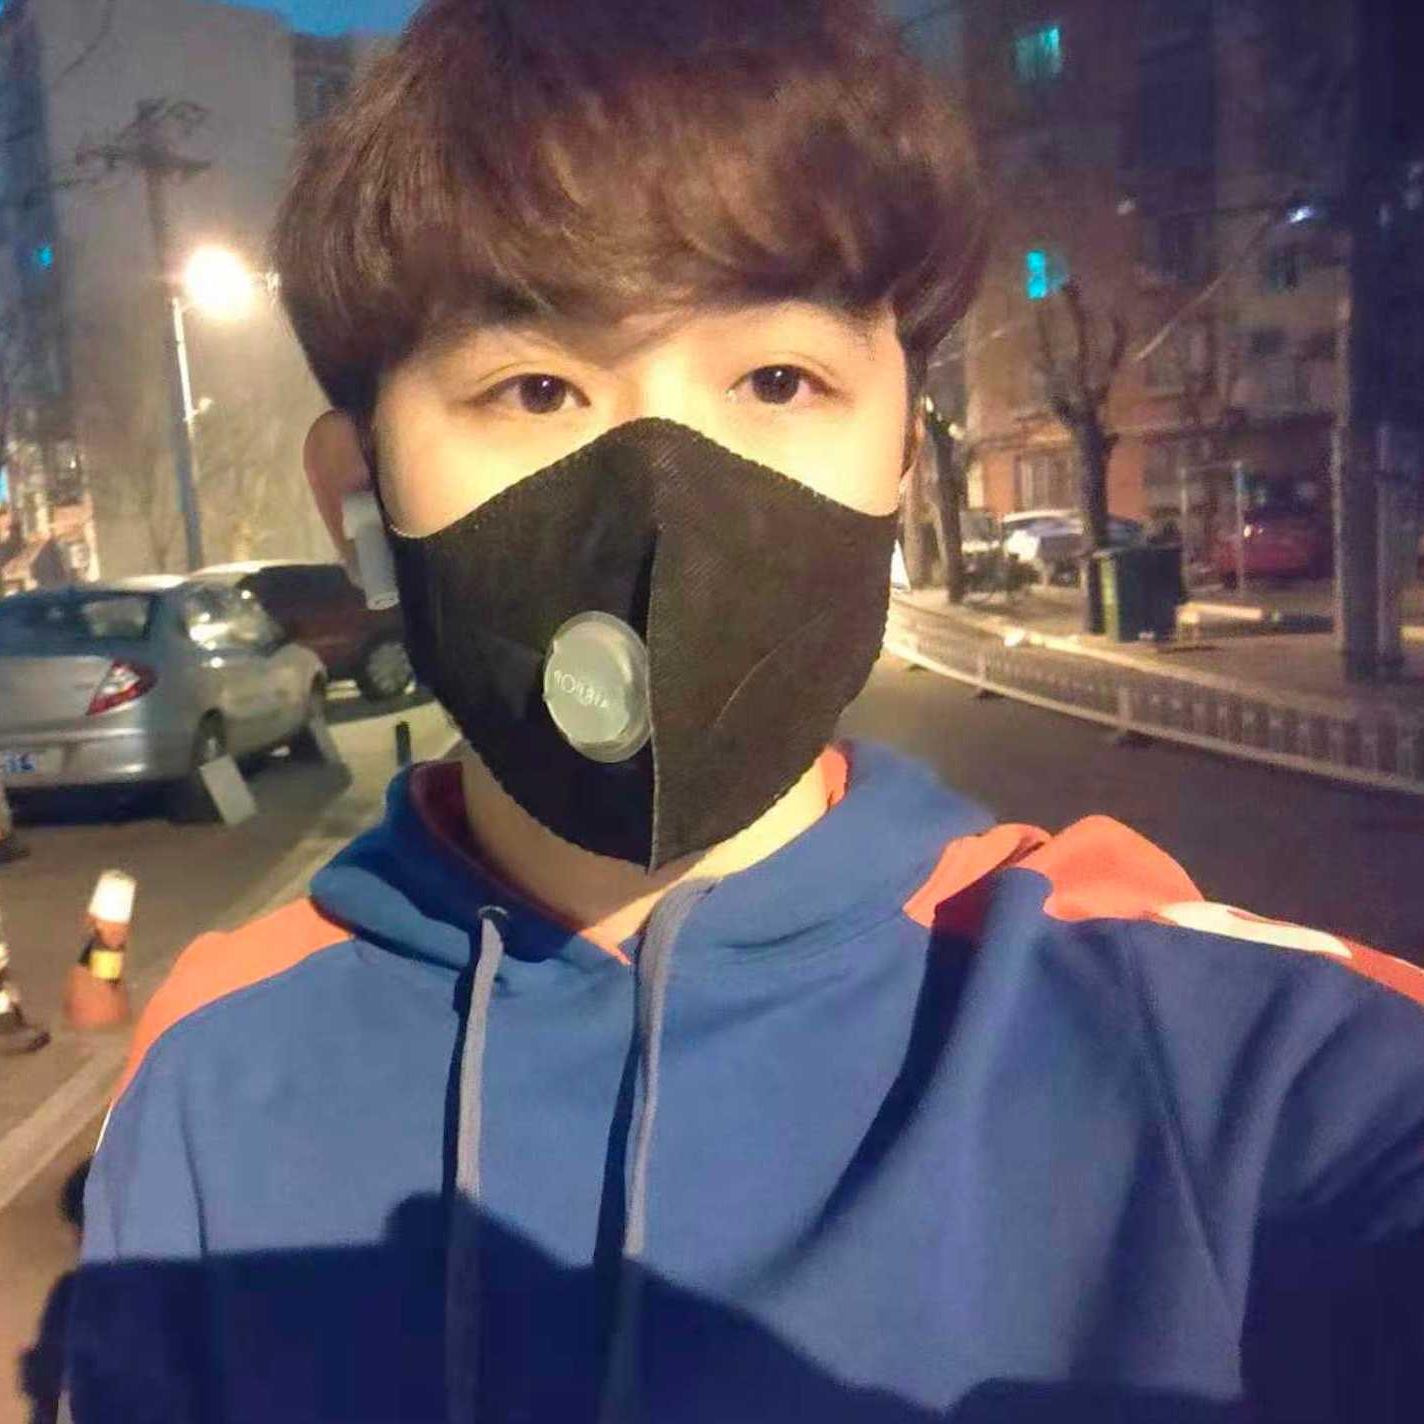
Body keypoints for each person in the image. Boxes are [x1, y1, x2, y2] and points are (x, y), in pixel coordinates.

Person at [66, 2, 1424, 1420]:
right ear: (359, 490)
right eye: (534, 388)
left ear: (898, 457)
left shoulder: (1220, 1048)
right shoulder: (217, 1075)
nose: (665, 501)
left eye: (779, 378)